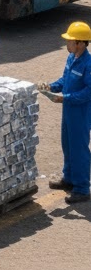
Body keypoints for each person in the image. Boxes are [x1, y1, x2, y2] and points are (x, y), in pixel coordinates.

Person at [39, 20, 91, 204]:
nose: (67, 43)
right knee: (67, 145)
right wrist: (51, 86)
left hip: (80, 112)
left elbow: (88, 91)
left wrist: (66, 98)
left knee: (79, 149)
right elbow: (64, 79)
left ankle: (82, 188)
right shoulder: (71, 58)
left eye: (70, 41)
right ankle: (69, 178)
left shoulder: (88, 64)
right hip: (68, 110)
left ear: (80, 43)